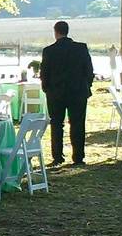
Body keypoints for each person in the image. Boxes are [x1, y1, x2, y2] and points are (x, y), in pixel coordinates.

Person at [40, 21, 94, 166]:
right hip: (78, 92)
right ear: (67, 31)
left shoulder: (49, 51)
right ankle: (78, 157)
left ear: (55, 32)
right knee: (77, 124)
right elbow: (89, 70)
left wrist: (47, 89)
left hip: (56, 93)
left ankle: (57, 157)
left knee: (56, 124)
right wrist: (87, 85)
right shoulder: (81, 48)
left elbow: (44, 73)